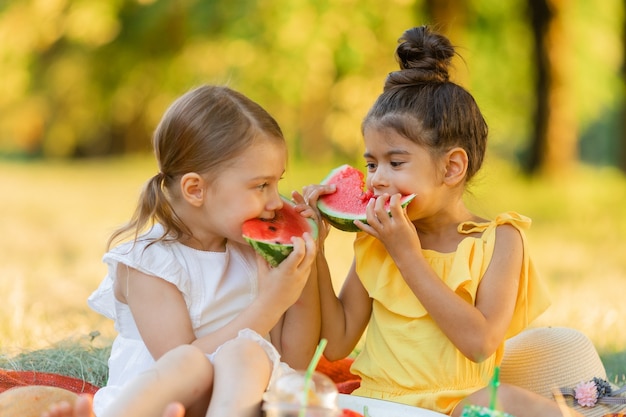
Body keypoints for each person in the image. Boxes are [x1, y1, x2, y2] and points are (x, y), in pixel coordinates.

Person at [299, 26, 583, 417]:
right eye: (370, 163)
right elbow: (337, 343)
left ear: (451, 167)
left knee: (508, 401)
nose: (377, 178)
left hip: (460, 407)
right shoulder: (375, 241)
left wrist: (408, 256)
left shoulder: (501, 239)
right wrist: (315, 250)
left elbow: (480, 342)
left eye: (395, 163)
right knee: (303, 390)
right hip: (378, 404)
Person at [47, 84, 319, 417]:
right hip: (163, 406)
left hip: (239, 403)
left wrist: (306, 266)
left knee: (247, 354)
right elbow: (181, 365)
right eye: (261, 185)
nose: (277, 202)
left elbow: (297, 360)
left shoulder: (253, 253)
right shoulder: (149, 264)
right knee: (192, 362)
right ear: (195, 189)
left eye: (278, 182)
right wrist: (270, 303)